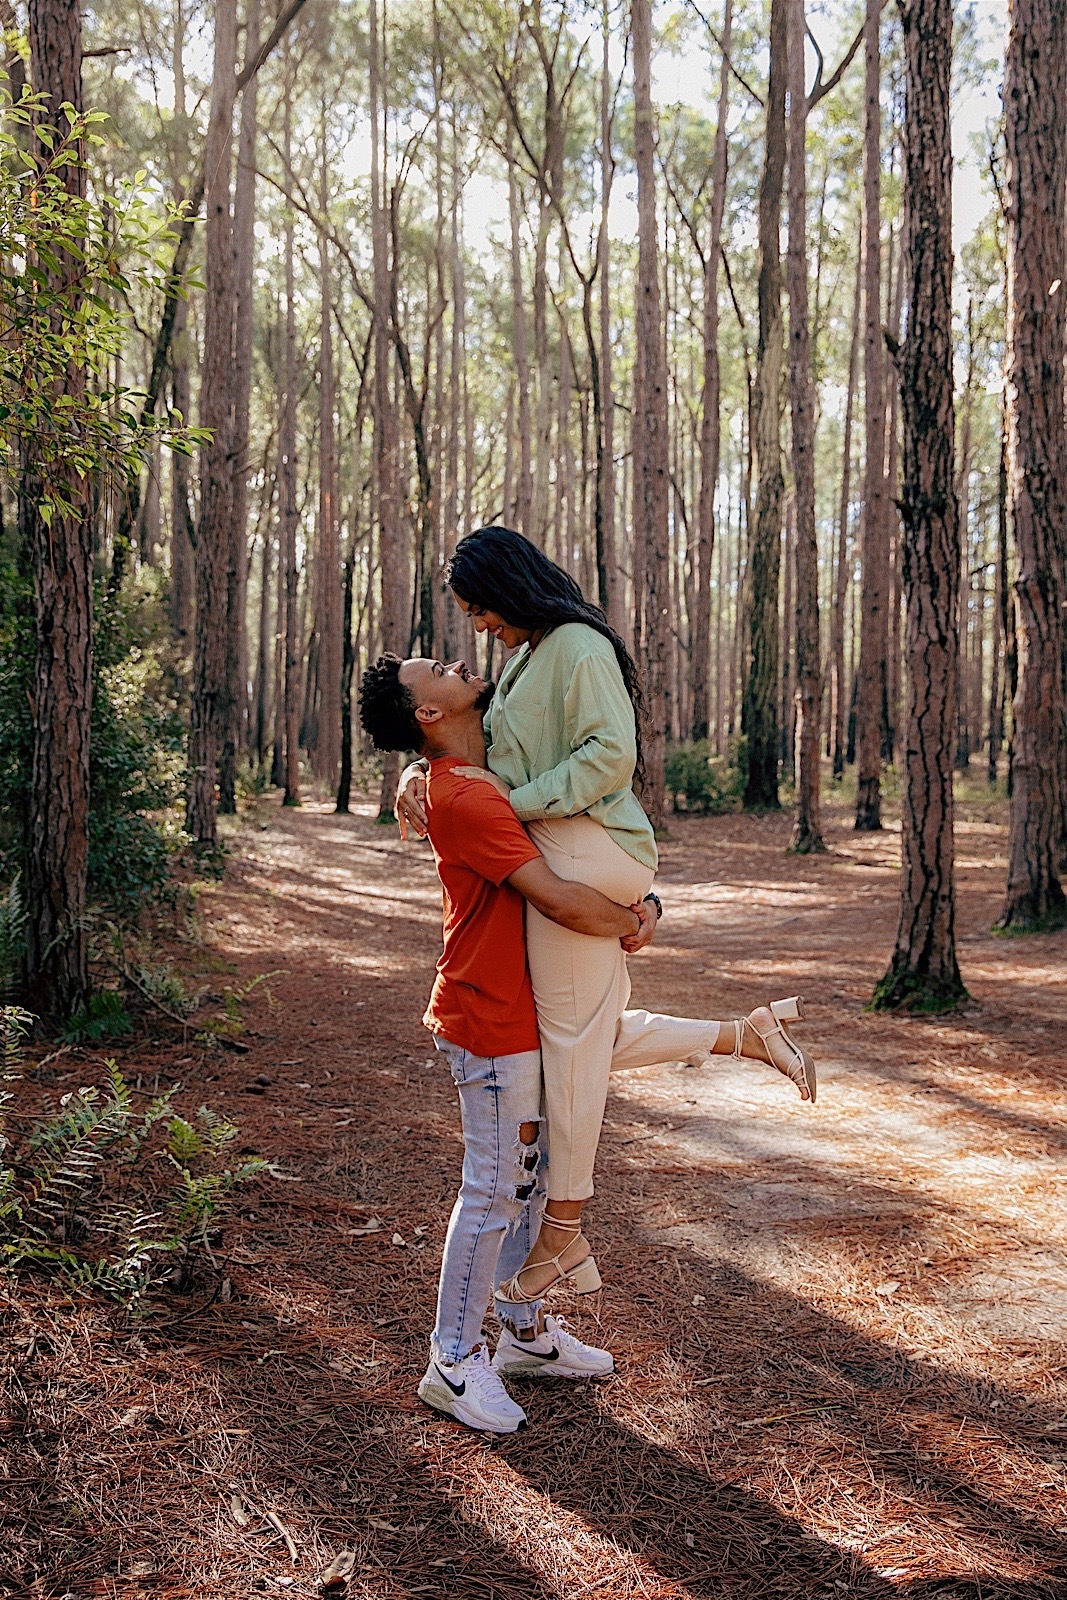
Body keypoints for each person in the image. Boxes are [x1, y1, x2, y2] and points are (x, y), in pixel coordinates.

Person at [396, 526, 817, 1309]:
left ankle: (563, 1229)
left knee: (565, 1043)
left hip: (579, 849)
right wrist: (415, 772)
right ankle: (744, 1035)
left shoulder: (576, 646)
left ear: (510, 588)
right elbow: (466, 738)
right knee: (583, 1033)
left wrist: (504, 813)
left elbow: (606, 758)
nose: (477, 628)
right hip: (563, 848)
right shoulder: (524, 656)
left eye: (479, 608)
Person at [358, 651, 656, 1434]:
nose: (458, 659)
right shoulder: (462, 794)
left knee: (533, 1179)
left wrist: (640, 897)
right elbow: (557, 898)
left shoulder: (486, 769)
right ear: (428, 713)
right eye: (437, 668)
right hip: (487, 1019)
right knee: (495, 1190)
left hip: (522, 1011)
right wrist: (638, 920)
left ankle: (522, 1333)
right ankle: (452, 1360)